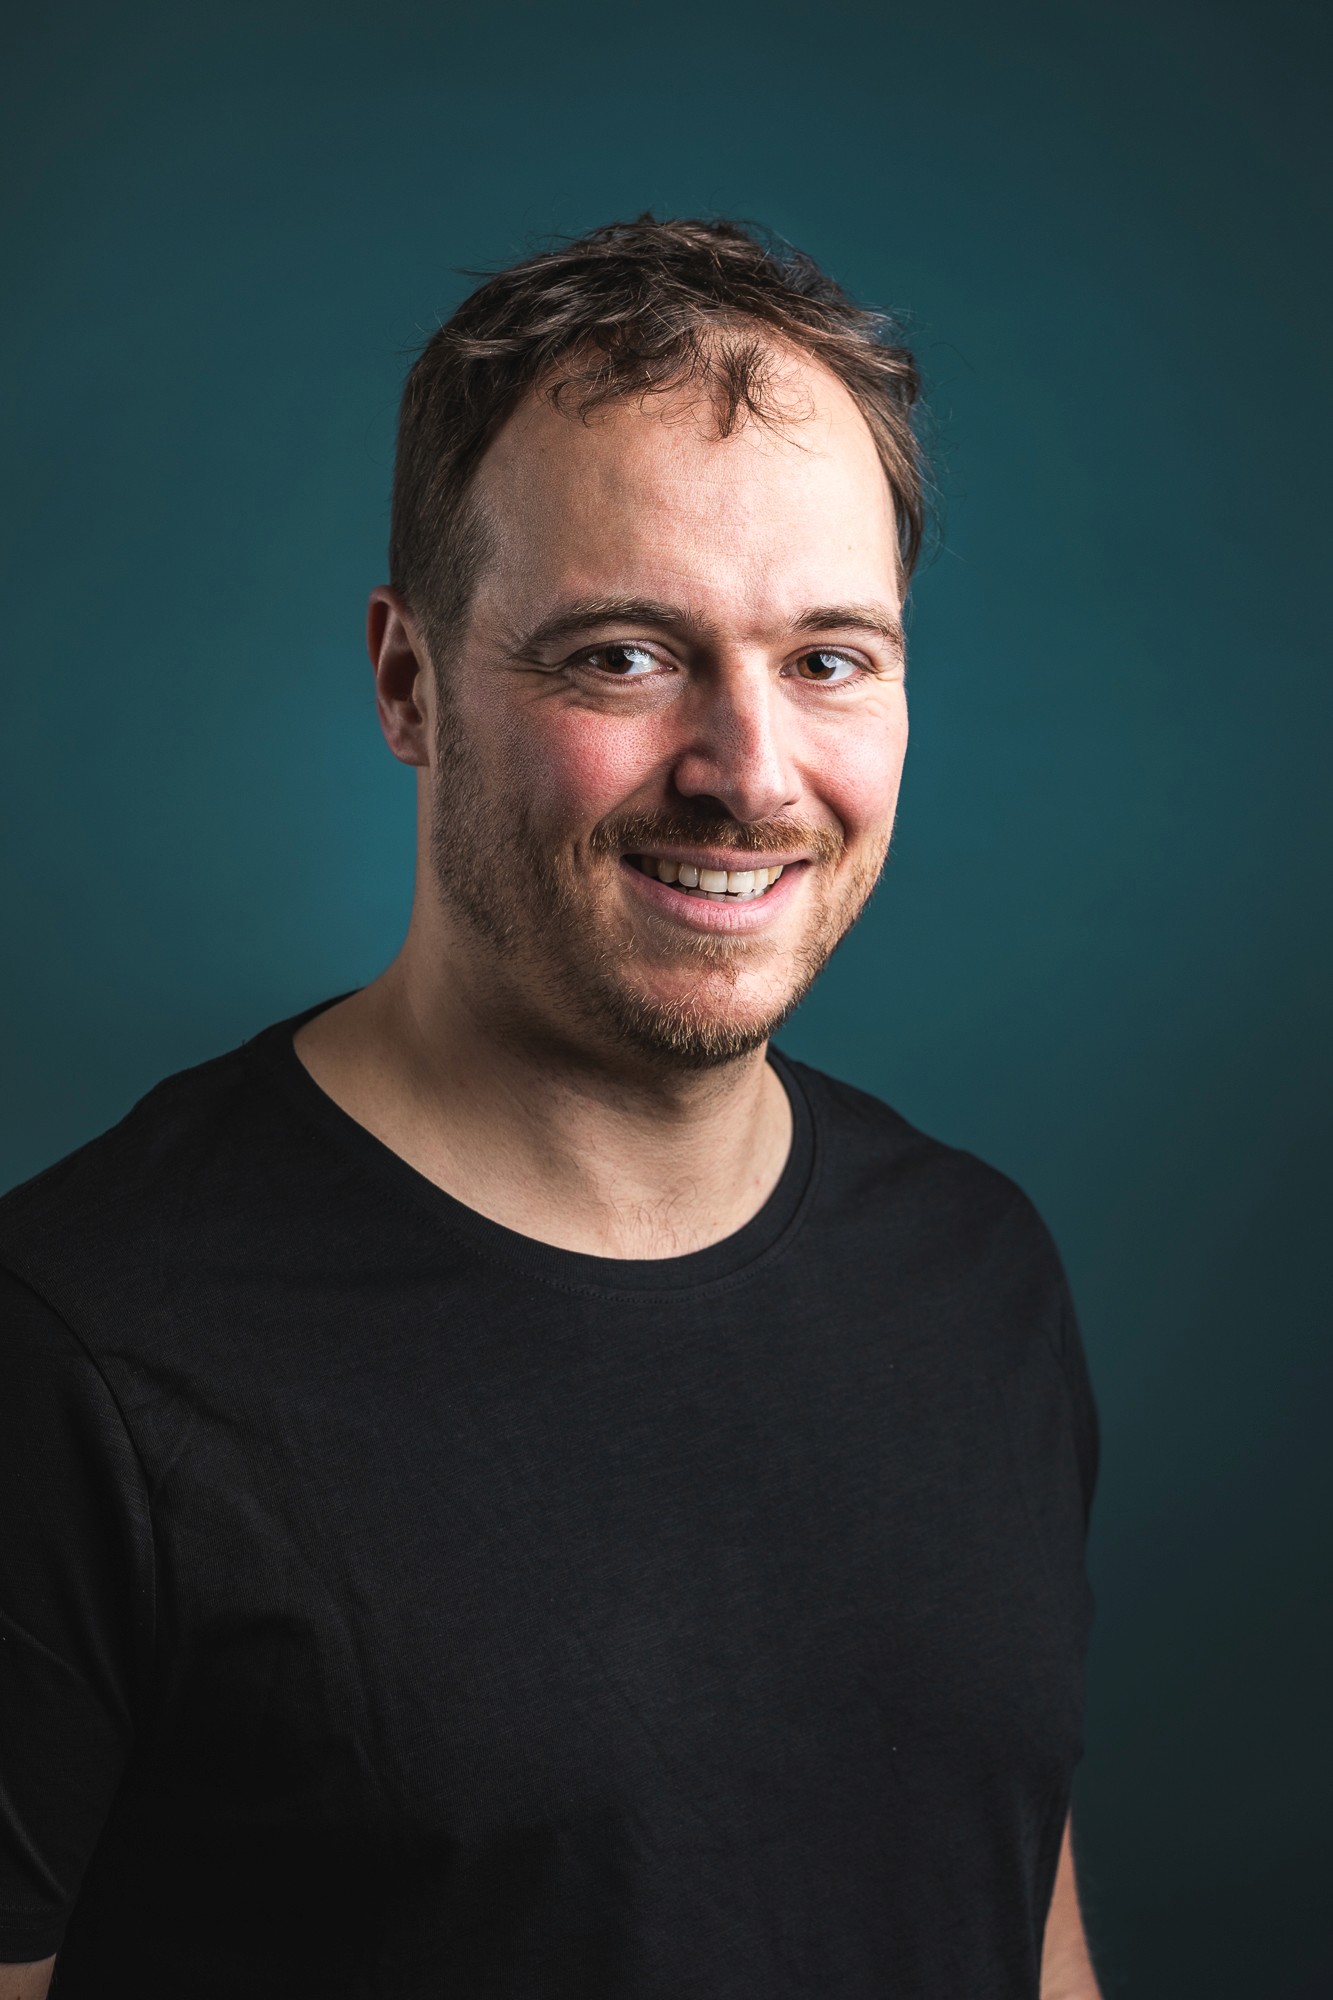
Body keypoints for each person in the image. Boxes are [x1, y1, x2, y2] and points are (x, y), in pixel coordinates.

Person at [0, 216, 1103, 1999]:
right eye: (621, 655)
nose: (749, 774)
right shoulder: (73, 1354)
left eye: (827, 658)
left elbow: (1006, 1914)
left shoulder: (978, 1274)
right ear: (408, 684)